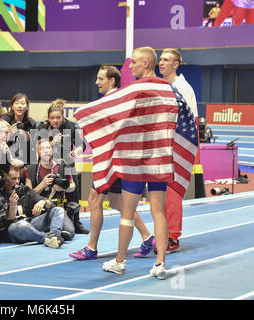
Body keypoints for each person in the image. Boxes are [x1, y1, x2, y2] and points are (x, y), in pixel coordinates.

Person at [69, 65, 154, 260]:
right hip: (116, 161)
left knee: (94, 200)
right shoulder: (114, 101)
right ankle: (147, 236)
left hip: (111, 162)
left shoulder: (114, 102)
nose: (96, 82)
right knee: (117, 201)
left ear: (112, 81)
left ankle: (91, 247)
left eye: (100, 79)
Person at [101, 47, 169, 279]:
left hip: (136, 159)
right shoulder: (166, 88)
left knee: (127, 212)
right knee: (158, 210)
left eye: (134, 63)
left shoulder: (135, 89)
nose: (129, 67)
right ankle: (160, 263)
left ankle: (120, 261)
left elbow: (120, 119)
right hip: (159, 157)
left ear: (146, 63)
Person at [158, 48, 199, 253]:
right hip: (164, 144)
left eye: (166, 60)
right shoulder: (163, 85)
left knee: (172, 191)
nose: (161, 63)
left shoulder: (182, 87)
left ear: (176, 65)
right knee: (161, 193)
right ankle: (163, 233)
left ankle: (172, 237)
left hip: (179, 144)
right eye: (160, 59)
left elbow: (188, 123)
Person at [36, 98, 88, 234]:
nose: (55, 121)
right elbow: (37, 147)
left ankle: (76, 221)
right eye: (52, 118)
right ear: (48, 118)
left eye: (58, 117)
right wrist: (52, 143)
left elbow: (82, 144)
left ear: (63, 117)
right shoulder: (42, 127)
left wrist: (76, 151)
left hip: (67, 164)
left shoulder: (69, 126)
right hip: (48, 165)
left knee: (73, 192)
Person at [5, 166, 74, 248]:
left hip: (31, 223)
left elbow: (51, 204)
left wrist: (43, 202)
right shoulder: (1, 195)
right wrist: (13, 206)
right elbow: (5, 224)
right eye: (13, 179)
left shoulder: (25, 191)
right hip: (15, 229)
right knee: (20, 225)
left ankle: (54, 237)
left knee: (57, 210)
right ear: (6, 180)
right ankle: (46, 238)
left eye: (18, 178)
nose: (17, 182)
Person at [0, 93, 37, 165]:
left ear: (27, 107)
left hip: (24, 159)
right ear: (12, 106)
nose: (19, 106)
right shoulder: (4, 120)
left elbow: (33, 148)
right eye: (16, 103)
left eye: (22, 103)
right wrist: (9, 135)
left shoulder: (31, 123)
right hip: (6, 159)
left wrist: (28, 138)